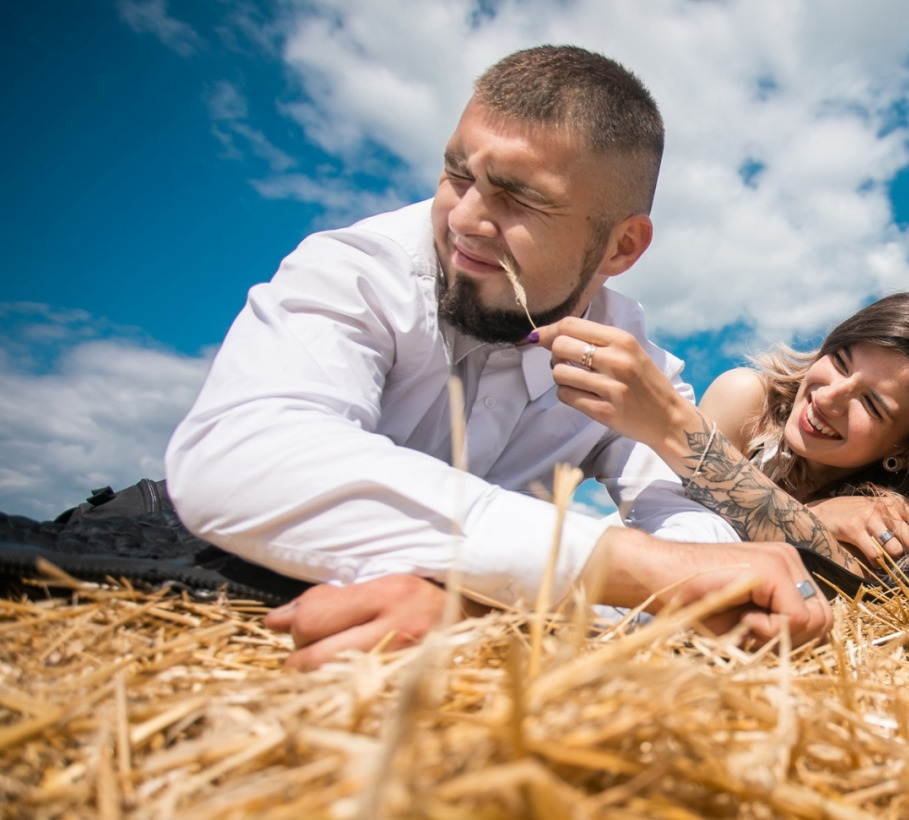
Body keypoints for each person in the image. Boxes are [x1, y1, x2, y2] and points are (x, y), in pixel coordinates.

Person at [164, 45, 830, 668]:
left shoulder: (633, 367)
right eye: (458, 173)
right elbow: (240, 456)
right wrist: (607, 566)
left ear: (621, 249)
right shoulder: (358, 269)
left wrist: (477, 604)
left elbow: (702, 550)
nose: (463, 219)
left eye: (520, 198)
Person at [530, 291, 909, 578]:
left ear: (908, 445)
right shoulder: (745, 400)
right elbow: (689, 543)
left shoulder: (906, 511)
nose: (829, 397)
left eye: (871, 403)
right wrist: (820, 518)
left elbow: (863, 593)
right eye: (839, 361)